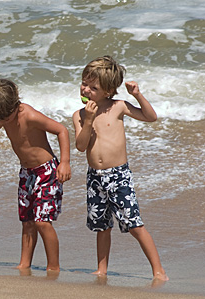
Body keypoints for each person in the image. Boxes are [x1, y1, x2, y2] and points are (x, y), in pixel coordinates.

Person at [72, 55, 168, 281]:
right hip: (94, 177)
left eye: (93, 87)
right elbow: (80, 145)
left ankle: (158, 270)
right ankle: (101, 269)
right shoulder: (80, 114)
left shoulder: (118, 107)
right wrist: (88, 121)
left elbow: (150, 117)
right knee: (102, 226)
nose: (86, 88)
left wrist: (137, 94)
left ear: (108, 91)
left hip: (118, 176)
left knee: (134, 225)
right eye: (84, 83)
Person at [0, 79, 71, 272]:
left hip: (47, 172)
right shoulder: (3, 116)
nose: (3, 123)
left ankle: (53, 267)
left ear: (15, 104)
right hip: (27, 174)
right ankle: (24, 264)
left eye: (6, 120)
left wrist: (65, 162)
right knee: (27, 221)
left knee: (42, 221)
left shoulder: (29, 115)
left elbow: (61, 130)